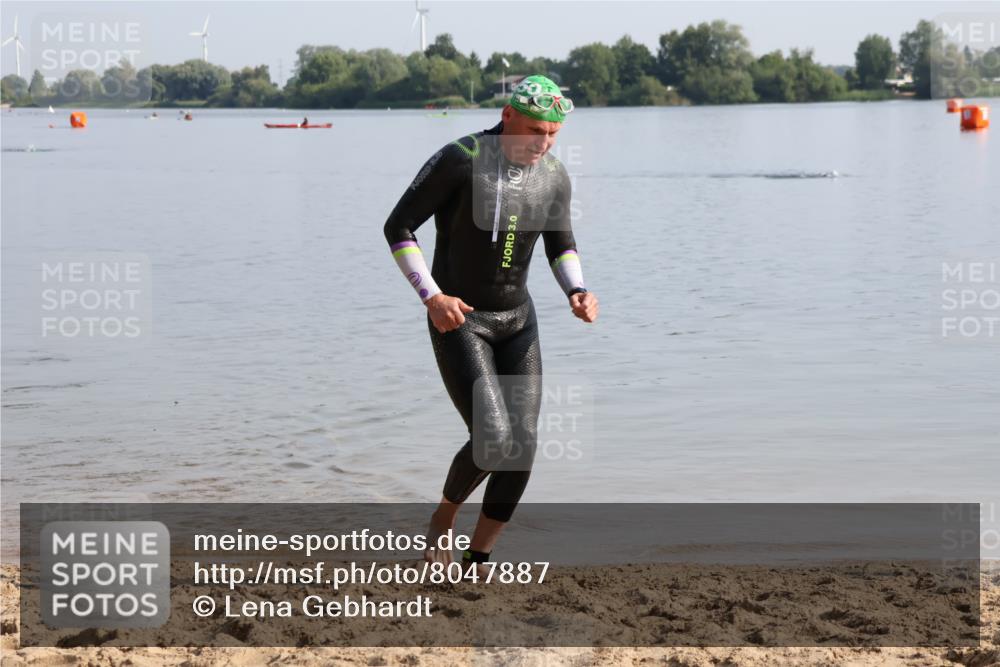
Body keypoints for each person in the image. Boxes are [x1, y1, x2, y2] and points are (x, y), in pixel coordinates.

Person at [383, 75, 599, 572]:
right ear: (508, 116)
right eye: (534, 131)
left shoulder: (554, 176)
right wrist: (432, 297)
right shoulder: (461, 159)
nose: (543, 143)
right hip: (461, 319)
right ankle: (443, 517)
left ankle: (478, 556)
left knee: (522, 444)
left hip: (518, 321)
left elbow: (561, 244)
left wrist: (577, 290)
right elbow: (398, 226)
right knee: (494, 438)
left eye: (553, 134)